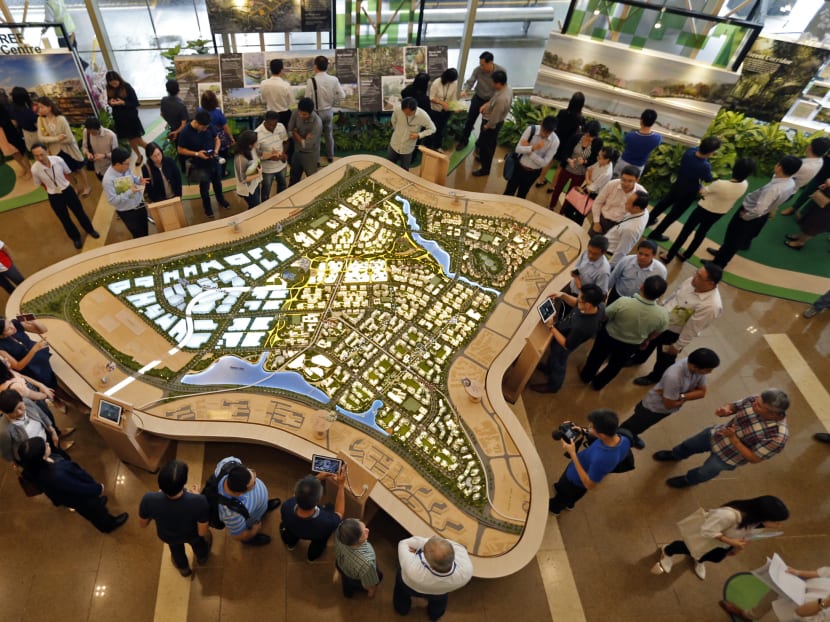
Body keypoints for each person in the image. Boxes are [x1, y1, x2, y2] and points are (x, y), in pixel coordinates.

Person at [652, 389, 790, 488]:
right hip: (716, 434)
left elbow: (754, 458)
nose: (754, 404)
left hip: (728, 457)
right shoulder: (756, 400)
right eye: (757, 400)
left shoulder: (777, 437)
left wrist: (733, 438)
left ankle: (688, 480)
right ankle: (675, 455)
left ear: (772, 414)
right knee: (689, 445)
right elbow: (734, 406)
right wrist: (725, 409)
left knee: (704, 472)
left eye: (759, 406)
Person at [627, 262, 723, 385]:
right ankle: (638, 358)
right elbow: (675, 295)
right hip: (662, 320)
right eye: (696, 273)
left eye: (699, 277)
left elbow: (693, 328)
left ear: (710, 283)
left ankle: (655, 377)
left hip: (673, 333)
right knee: (648, 341)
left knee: (665, 357)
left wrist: (678, 345)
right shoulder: (692, 281)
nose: (694, 277)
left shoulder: (711, 306)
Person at [652, 496, 788, 581]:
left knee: (713, 556)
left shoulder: (756, 522)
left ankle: (699, 559)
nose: (778, 525)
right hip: (707, 540)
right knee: (686, 547)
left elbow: (748, 535)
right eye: (776, 522)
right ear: (763, 515)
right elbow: (707, 530)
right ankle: (667, 551)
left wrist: (735, 548)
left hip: (722, 545)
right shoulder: (728, 515)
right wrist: (731, 542)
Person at [18, 436, 128, 532]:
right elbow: (78, 487)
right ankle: (108, 525)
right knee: (97, 514)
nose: (47, 443)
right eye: (45, 446)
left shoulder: (33, 468)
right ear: (41, 457)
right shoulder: (57, 474)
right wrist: (98, 489)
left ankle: (98, 503)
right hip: (82, 499)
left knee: (93, 509)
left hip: (72, 499)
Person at [709, 156, 802, 269]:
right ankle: (724, 253)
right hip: (762, 215)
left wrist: (745, 217)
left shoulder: (774, 189)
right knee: (739, 239)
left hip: (749, 214)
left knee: (732, 240)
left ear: (779, 167)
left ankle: (717, 264)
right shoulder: (790, 182)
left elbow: (758, 209)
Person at [579, 275, 668, 391]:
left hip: (608, 337)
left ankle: (586, 376)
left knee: (596, 357)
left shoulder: (623, 302)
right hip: (630, 346)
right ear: (660, 295)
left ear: (641, 287)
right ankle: (598, 384)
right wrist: (647, 340)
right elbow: (659, 331)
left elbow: (605, 316)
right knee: (615, 366)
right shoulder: (662, 315)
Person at [619, 348, 720, 450]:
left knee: (641, 426)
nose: (710, 372)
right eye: (707, 370)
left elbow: (702, 392)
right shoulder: (674, 377)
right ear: (695, 366)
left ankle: (631, 436)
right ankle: (620, 440)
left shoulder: (696, 368)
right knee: (633, 425)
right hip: (653, 409)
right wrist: (690, 393)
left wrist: (681, 396)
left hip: (664, 408)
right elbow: (669, 404)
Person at [661, 158, 754, 263]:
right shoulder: (745, 185)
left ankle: (669, 255)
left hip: (703, 209)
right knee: (701, 233)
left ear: (734, 168)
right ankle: (686, 255)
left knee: (686, 231)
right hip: (719, 212)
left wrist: (700, 184)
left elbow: (703, 192)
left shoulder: (720, 184)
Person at [548, 408, 631, 515]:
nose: (589, 428)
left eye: (591, 427)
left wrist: (573, 453)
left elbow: (589, 485)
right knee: (568, 494)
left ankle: (555, 508)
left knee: (564, 496)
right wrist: (583, 431)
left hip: (575, 481)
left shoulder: (603, 459)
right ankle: (569, 503)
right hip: (579, 470)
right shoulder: (624, 439)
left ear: (602, 435)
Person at [138, 459, 211, 577]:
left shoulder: (149, 499)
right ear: (184, 481)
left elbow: (143, 524)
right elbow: (202, 532)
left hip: (168, 535)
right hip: (192, 534)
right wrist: (196, 496)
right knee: (199, 544)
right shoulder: (199, 501)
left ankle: (184, 569)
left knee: (176, 551)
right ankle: (202, 558)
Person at [529, 284, 604, 394]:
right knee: (553, 357)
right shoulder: (598, 306)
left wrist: (551, 327)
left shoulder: (583, 327)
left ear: (588, 304)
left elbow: (566, 344)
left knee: (558, 362)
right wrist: (563, 295)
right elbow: (577, 303)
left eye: (580, 298)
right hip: (564, 330)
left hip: (564, 342)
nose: (578, 300)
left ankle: (553, 385)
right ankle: (549, 368)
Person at [647, 136, 722, 240]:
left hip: (678, 184)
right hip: (689, 191)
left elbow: (697, 150)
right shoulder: (705, 166)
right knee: (674, 214)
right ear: (711, 152)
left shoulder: (690, 152)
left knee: (663, 204)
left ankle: (648, 220)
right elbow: (708, 178)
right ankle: (656, 233)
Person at [29, 143, 99, 249]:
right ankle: (75, 238)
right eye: (36, 156)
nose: (40, 158)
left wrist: (65, 185)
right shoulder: (35, 169)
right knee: (64, 219)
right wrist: (52, 188)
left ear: (47, 151)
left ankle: (90, 230)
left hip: (67, 190)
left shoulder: (58, 160)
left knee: (79, 212)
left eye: (42, 154)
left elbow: (67, 173)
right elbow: (40, 184)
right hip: (54, 196)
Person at [394, 535, 473, 620]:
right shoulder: (467, 571)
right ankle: (434, 616)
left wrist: (419, 550)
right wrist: (427, 549)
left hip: (409, 586)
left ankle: (401, 609)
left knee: (401, 591)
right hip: (439, 592)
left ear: (431, 565)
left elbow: (404, 543)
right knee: (439, 603)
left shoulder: (412, 568)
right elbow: (454, 545)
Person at [721, 564, 830, 621]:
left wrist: (826, 602)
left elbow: (800, 612)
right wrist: (798, 572)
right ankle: (748, 615)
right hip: (797, 587)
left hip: (798, 612)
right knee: (766, 601)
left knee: (772, 618)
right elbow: (821, 573)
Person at [214, 456, 281, 545]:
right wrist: (254, 530)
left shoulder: (228, 462)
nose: (255, 478)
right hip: (251, 519)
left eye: (252, 473)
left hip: (258, 506)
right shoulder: (232, 514)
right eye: (254, 483)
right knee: (247, 537)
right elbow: (238, 535)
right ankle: (252, 540)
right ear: (240, 493)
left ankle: (264, 507)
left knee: (262, 507)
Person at [279, 470, 345, 561]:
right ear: (318, 501)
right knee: (319, 544)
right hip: (316, 534)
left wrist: (316, 478)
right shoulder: (327, 522)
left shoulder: (286, 506)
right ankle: (311, 557)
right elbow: (339, 513)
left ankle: (291, 544)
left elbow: (294, 496)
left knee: (289, 534)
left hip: (292, 528)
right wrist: (341, 486)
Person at [177, 111, 231, 217]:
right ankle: (208, 208)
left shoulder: (208, 126)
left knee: (217, 183)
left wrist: (216, 150)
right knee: (204, 188)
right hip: (200, 165)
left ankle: (221, 200)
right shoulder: (186, 132)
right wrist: (197, 154)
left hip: (213, 161)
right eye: (203, 127)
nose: (205, 129)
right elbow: (180, 150)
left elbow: (217, 139)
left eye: (207, 127)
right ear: (196, 123)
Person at [36, 96, 91, 197]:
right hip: (55, 151)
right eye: (39, 108)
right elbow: (41, 138)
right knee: (66, 170)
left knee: (79, 168)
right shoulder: (41, 120)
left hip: (69, 149)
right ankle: (74, 187)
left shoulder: (61, 119)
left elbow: (69, 138)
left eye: (42, 107)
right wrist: (57, 139)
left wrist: (53, 140)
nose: (40, 110)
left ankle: (87, 186)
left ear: (49, 107)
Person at [0, 388, 68, 463]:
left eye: (20, 407)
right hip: (34, 455)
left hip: (46, 439)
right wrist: (16, 463)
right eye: (13, 412)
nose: (19, 412)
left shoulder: (27, 402)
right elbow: (6, 452)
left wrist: (52, 431)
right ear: (6, 412)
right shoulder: (4, 431)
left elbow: (42, 415)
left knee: (62, 457)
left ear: (22, 400)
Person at [535, 91, 586, 190]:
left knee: (549, 161)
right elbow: (579, 133)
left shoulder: (562, 112)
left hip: (556, 141)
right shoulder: (580, 119)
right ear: (581, 105)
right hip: (567, 145)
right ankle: (552, 186)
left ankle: (540, 180)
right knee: (560, 167)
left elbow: (556, 125)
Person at [547, 120, 603, 210]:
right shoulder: (576, 137)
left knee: (571, 193)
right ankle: (551, 206)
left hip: (580, 174)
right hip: (567, 169)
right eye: (588, 135)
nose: (590, 138)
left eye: (593, 136)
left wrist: (585, 162)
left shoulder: (598, 143)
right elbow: (565, 151)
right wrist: (568, 159)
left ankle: (563, 211)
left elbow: (594, 160)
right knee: (558, 188)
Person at [457, 51, 506, 149]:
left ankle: (480, 145)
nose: (481, 67)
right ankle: (464, 140)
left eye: (483, 65)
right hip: (478, 98)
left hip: (491, 102)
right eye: (480, 64)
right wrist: (465, 90)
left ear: (490, 62)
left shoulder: (500, 71)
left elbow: (501, 90)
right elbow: (470, 81)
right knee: (470, 120)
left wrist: (489, 103)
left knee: (485, 124)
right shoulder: (478, 70)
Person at [502, 115, 559, 199]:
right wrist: (533, 148)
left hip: (533, 173)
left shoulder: (555, 141)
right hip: (519, 167)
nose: (544, 134)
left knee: (522, 195)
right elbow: (518, 149)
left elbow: (544, 163)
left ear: (553, 130)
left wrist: (529, 150)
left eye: (548, 132)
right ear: (541, 123)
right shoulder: (531, 130)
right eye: (543, 130)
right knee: (509, 191)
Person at [561, 146, 617, 226]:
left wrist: (588, 180)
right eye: (598, 155)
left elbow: (592, 189)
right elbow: (588, 170)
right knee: (569, 208)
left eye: (600, 157)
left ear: (607, 160)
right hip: (586, 188)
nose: (597, 158)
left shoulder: (606, 173)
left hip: (593, 195)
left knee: (580, 215)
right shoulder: (601, 161)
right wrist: (588, 180)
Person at [471, 70, 511, 177]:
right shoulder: (506, 88)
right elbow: (493, 99)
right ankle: (484, 160)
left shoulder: (502, 99)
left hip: (491, 125)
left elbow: (494, 118)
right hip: (494, 122)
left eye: (493, 82)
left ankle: (485, 169)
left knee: (486, 147)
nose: (492, 84)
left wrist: (486, 126)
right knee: (490, 145)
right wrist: (486, 105)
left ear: (499, 83)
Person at [306, 55, 345, 163]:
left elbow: (307, 99)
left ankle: (317, 160)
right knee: (329, 135)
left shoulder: (311, 81)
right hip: (329, 111)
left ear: (315, 66)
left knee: (316, 137)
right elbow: (342, 95)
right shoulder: (334, 79)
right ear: (327, 66)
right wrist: (333, 101)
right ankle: (330, 157)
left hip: (316, 112)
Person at [103, 147, 148, 238]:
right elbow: (112, 200)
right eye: (127, 164)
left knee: (145, 228)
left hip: (139, 203)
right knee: (138, 234)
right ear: (118, 164)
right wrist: (130, 192)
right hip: (128, 212)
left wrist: (139, 180)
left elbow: (132, 177)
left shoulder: (125, 168)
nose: (129, 166)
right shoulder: (108, 180)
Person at [779, 136, 830, 216]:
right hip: (819, 172)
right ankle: (795, 208)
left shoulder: (805, 165)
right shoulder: (819, 160)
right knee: (808, 192)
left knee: (819, 198)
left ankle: (803, 214)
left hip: (826, 177)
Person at [334, 518, 382, 598]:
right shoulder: (367, 561)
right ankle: (369, 593)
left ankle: (347, 594)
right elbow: (369, 582)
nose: (367, 530)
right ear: (358, 541)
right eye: (364, 533)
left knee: (346, 584)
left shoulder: (340, 530)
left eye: (360, 522)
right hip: (355, 578)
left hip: (341, 564)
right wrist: (371, 589)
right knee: (377, 576)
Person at [105, 71, 146, 166]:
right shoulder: (109, 89)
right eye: (111, 83)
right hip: (120, 119)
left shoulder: (127, 87)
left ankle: (153, 151)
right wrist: (111, 102)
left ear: (118, 79)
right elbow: (109, 101)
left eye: (115, 82)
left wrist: (123, 103)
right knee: (130, 140)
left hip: (130, 118)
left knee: (138, 140)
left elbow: (135, 103)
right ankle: (139, 155)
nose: (113, 85)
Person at [607, 240, 666, 304]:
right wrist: (604, 292)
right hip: (618, 295)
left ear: (653, 255)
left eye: (646, 255)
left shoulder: (660, 271)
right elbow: (614, 276)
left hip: (639, 302)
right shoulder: (626, 260)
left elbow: (658, 289)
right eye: (640, 253)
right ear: (637, 251)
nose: (642, 257)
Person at [590, 165, 646, 233]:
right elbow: (598, 202)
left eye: (630, 181)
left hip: (621, 226)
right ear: (620, 177)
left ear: (637, 180)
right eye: (623, 180)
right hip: (602, 220)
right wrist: (596, 222)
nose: (626, 184)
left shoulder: (641, 193)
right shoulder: (612, 184)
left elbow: (640, 213)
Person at [386, 97, 435, 171]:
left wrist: (419, 135)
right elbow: (393, 120)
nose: (406, 114)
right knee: (389, 166)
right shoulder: (398, 109)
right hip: (394, 144)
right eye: (404, 112)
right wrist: (398, 131)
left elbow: (432, 129)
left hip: (408, 148)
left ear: (415, 109)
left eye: (409, 113)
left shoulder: (423, 115)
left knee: (404, 169)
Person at [605, 190, 650, 267]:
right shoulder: (645, 211)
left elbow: (621, 252)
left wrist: (607, 266)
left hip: (608, 252)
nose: (625, 203)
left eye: (628, 203)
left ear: (637, 208)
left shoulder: (631, 229)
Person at [783, 177, 830, 250]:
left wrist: (828, 182)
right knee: (810, 219)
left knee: (815, 224)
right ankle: (800, 236)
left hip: (826, 209)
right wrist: (826, 185)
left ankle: (800, 242)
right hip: (824, 200)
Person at [614, 108, 661, 177]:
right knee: (629, 186)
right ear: (653, 123)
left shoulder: (630, 135)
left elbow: (625, 142)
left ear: (641, 120)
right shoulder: (657, 138)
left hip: (623, 162)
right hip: (638, 167)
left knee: (614, 183)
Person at [288, 97, 323, 185]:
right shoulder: (296, 113)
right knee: (293, 179)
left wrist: (296, 134)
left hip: (310, 155)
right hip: (297, 152)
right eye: (300, 113)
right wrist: (302, 138)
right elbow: (289, 131)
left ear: (310, 113)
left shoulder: (317, 123)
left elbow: (307, 145)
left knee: (312, 180)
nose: (300, 116)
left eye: (304, 115)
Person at [255, 111, 288, 201]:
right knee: (266, 190)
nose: (272, 127)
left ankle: (281, 202)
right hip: (267, 170)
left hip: (281, 165)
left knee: (282, 186)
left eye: (275, 124)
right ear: (265, 121)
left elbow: (285, 141)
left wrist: (284, 153)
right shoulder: (257, 133)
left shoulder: (280, 127)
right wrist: (270, 157)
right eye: (270, 125)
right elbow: (256, 154)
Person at [198, 89, 234, 174]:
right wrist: (231, 137)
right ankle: (222, 172)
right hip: (219, 139)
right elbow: (225, 127)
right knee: (222, 155)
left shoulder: (199, 110)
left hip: (205, 137)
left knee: (208, 155)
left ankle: (210, 172)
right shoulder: (218, 112)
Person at [427, 68, 458, 151]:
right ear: (447, 78)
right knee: (433, 128)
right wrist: (442, 103)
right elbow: (431, 98)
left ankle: (437, 146)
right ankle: (429, 146)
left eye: (453, 81)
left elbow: (453, 97)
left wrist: (455, 107)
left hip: (446, 111)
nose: (452, 83)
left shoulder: (454, 83)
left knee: (441, 129)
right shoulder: (436, 83)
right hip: (435, 110)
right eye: (451, 81)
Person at [0, 105, 31, 180]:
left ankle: (29, 170)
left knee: (20, 150)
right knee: (12, 152)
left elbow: (6, 118)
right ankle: (24, 168)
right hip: (1, 134)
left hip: (8, 131)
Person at [261, 59, 294, 130]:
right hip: (284, 116)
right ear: (282, 70)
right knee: (284, 136)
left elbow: (263, 99)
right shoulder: (286, 85)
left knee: (271, 135)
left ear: (270, 70)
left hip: (270, 116)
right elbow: (291, 102)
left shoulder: (263, 83)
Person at [233, 129, 261, 209]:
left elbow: (261, 155)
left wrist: (273, 154)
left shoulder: (252, 149)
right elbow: (243, 179)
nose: (257, 142)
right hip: (248, 189)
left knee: (257, 204)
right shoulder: (240, 158)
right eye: (256, 141)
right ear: (250, 145)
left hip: (255, 184)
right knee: (254, 207)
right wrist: (258, 174)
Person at [9, 86, 39, 151]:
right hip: (36, 135)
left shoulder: (12, 110)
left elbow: (14, 124)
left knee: (36, 154)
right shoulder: (28, 112)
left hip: (26, 134)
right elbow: (38, 126)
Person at [160, 79, 189, 145]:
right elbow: (183, 124)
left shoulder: (163, 100)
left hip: (173, 129)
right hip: (181, 132)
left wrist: (169, 121)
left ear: (167, 90)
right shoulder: (181, 105)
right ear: (178, 90)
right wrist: (176, 132)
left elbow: (161, 114)